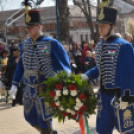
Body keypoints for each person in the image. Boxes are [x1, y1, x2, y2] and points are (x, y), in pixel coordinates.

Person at [9, 8, 71, 134]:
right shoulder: (24, 44)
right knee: (29, 117)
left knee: (44, 119)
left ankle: (47, 131)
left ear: (39, 26)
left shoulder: (52, 43)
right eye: (27, 27)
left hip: (45, 89)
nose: (28, 30)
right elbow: (20, 66)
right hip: (28, 89)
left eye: (31, 27)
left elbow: (64, 66)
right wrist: (15, 83)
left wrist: (62, 85)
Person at [82, 6, 134, 134]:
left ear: (113, 26)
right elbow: (100, 68)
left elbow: (129, 73)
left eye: (104, 26)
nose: (100, 29)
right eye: (99, 25)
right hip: (103, 97)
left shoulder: (124, 46)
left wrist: (127, 97)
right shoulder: (99, 46)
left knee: (127, 130)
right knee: (102, 130)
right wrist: (87, 76)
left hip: (119, 96)